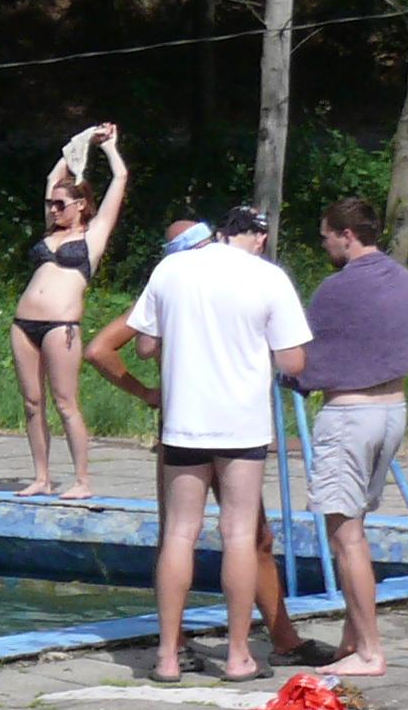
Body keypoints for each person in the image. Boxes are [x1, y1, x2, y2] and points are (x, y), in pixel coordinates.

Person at [87, 200, 315, 680]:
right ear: (256, 237)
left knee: (178, 534)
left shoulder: (171, 270)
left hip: (182, 422)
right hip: (240, 425)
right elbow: (293, 361)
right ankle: (238, 656)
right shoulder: (267, 277)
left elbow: (144, 345)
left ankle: (168, 657)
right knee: (239, 534)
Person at [298, 196, 408, 680]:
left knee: (345, 534)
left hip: (351, 416)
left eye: (327, 236)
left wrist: (284, 374)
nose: (324, 245)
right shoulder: (404, 279)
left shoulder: (337, 289)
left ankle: (370, 651)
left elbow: (305, 359)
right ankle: (352, 641)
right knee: (358, 526)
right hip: (393, 410)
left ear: (347, 235)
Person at [13, 123, 129, 496]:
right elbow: (53, 177)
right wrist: (79, 142)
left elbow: (120, 178)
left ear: (80, 206)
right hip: (24, 323)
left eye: (61, 204)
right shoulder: (51, 231)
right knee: (33, 403)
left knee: (65, 403)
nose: (53, 209)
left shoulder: (92, 236)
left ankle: (82, 480)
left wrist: (108, 146)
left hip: (60, 325)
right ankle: (41, 477)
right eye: (51, 204)